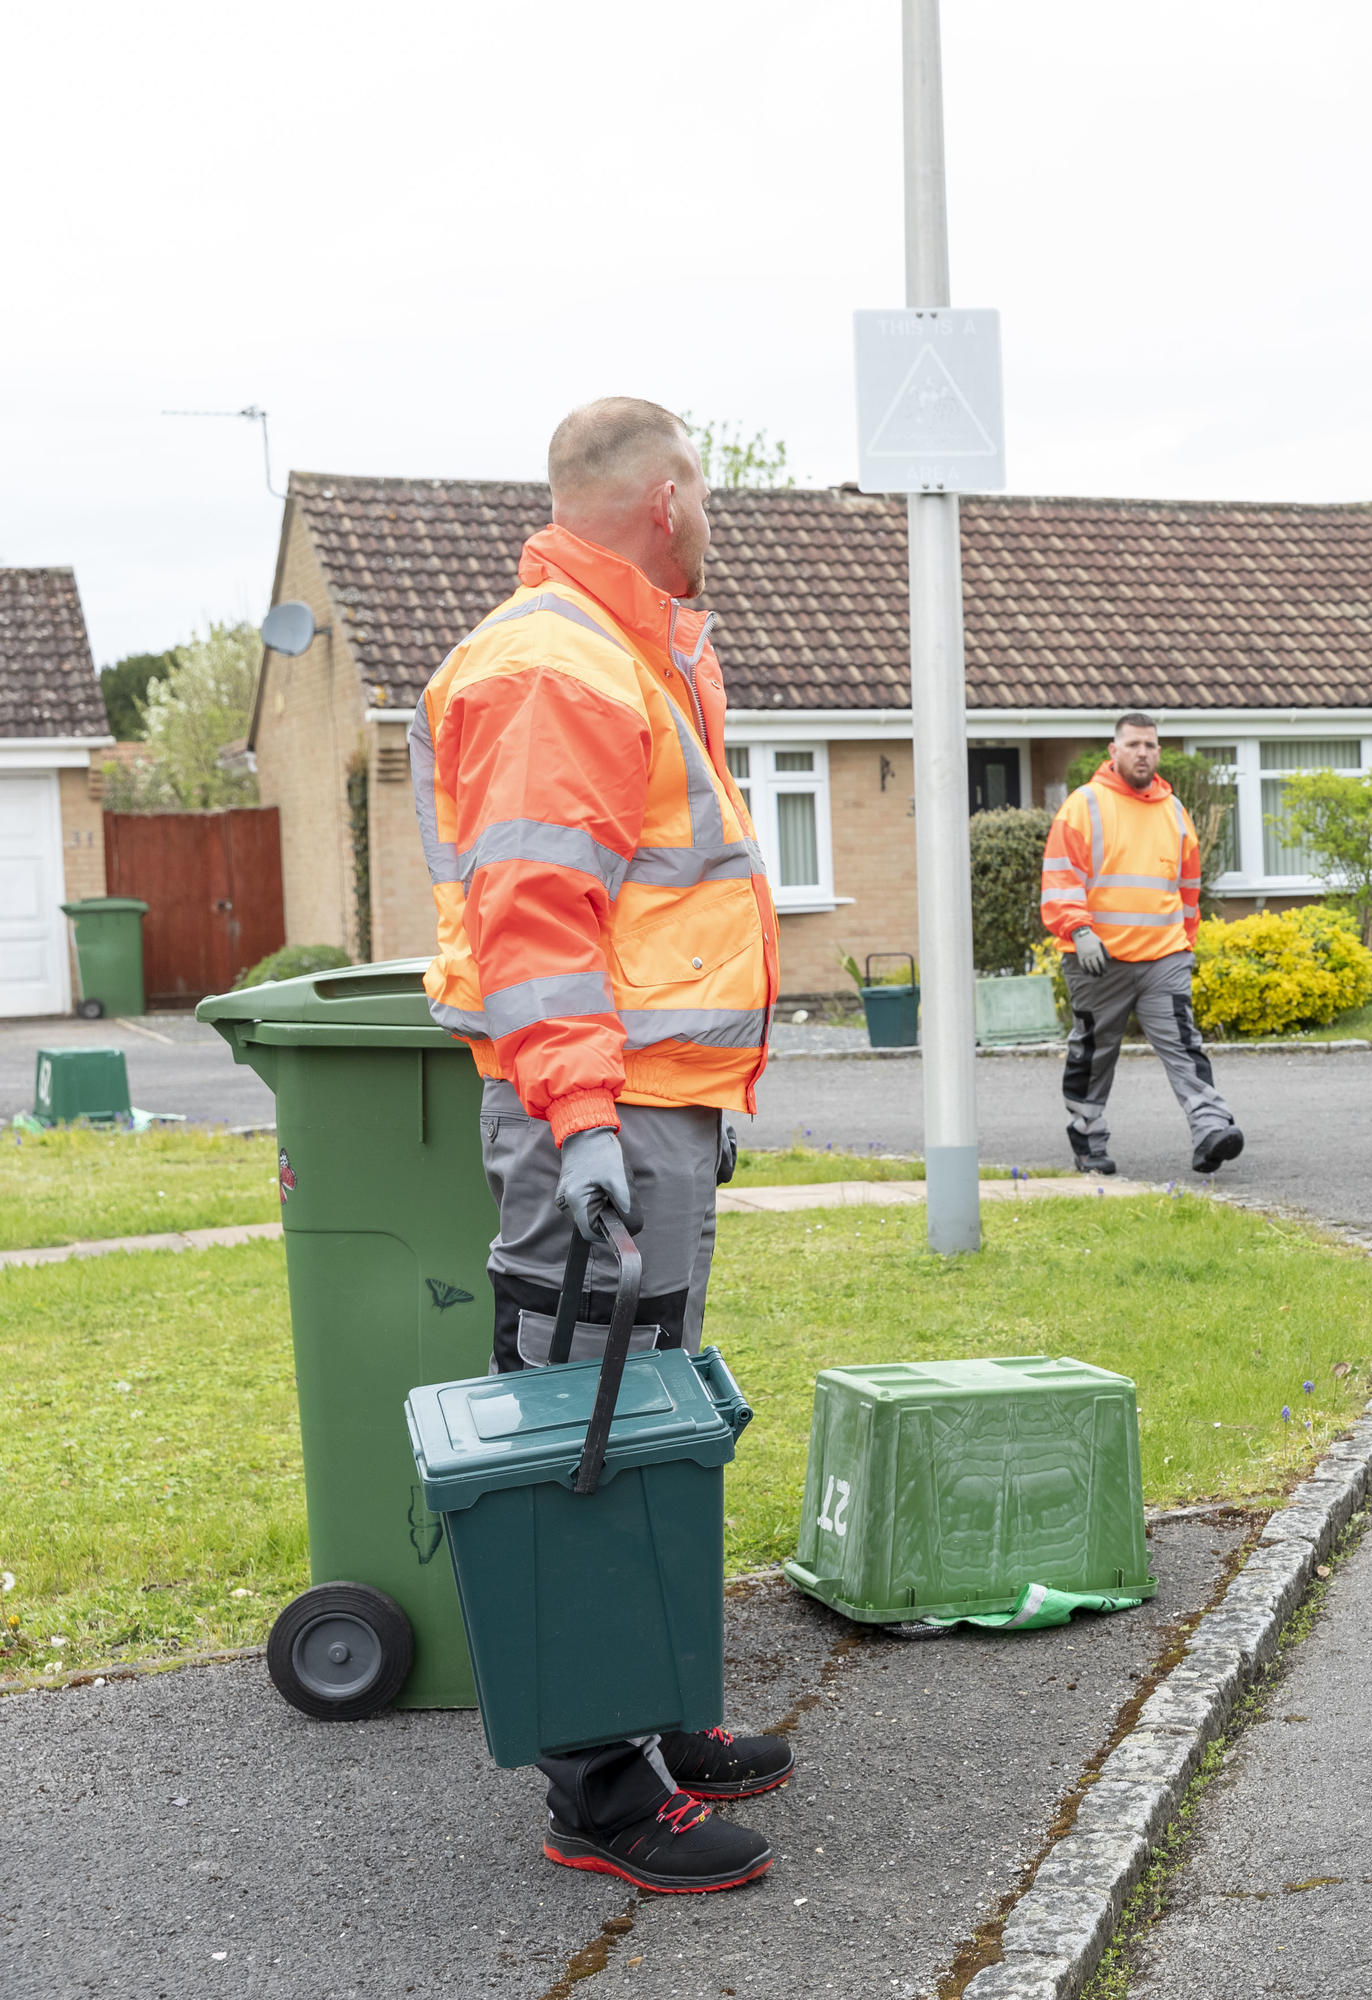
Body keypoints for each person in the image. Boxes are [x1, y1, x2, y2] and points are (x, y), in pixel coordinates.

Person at [414, 397, 792, 1894]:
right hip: (601, 1112)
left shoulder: (626, 647)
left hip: (649, 1105)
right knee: (582, 1425)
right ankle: (599, 1794)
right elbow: (537, 923)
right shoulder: (556, 663)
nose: (712, 520)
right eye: (706, 494)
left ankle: (647, 1713)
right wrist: (585, 1124)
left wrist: (687, 1106)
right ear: (668, 495)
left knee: (643, 1418)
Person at [1043, 714, 1244, 1176]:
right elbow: (1060, 879)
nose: (1142, 753)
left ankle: (1211, 1127)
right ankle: (1087, 1135)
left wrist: (1184, 944)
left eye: (1150, 745)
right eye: (1133, 744)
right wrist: (1078, 930)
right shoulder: (1084, 805)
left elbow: (1188, 886)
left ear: (1158, 752)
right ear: (1113, 752)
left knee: (1182, 1043)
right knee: (1095, 1050)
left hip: (1163, 956)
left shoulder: (1173, 810)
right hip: (1098, 959)